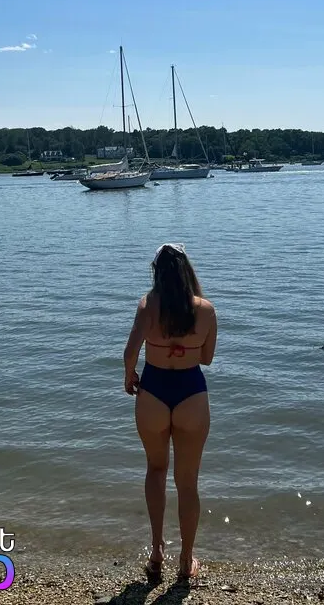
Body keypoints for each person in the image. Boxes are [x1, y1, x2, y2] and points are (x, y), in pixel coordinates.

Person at [123, 243, 217, 583]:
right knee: (188, 481)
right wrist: (182, 348)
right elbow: (207, 358)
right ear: (187, 270)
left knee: (155, 469)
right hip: (191, 392)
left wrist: (129, 376)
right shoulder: (205, 310)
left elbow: (130, 352)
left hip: (154, 391)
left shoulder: (147, 305)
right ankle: (186, 559)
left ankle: (156, 550)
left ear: (156, 272)